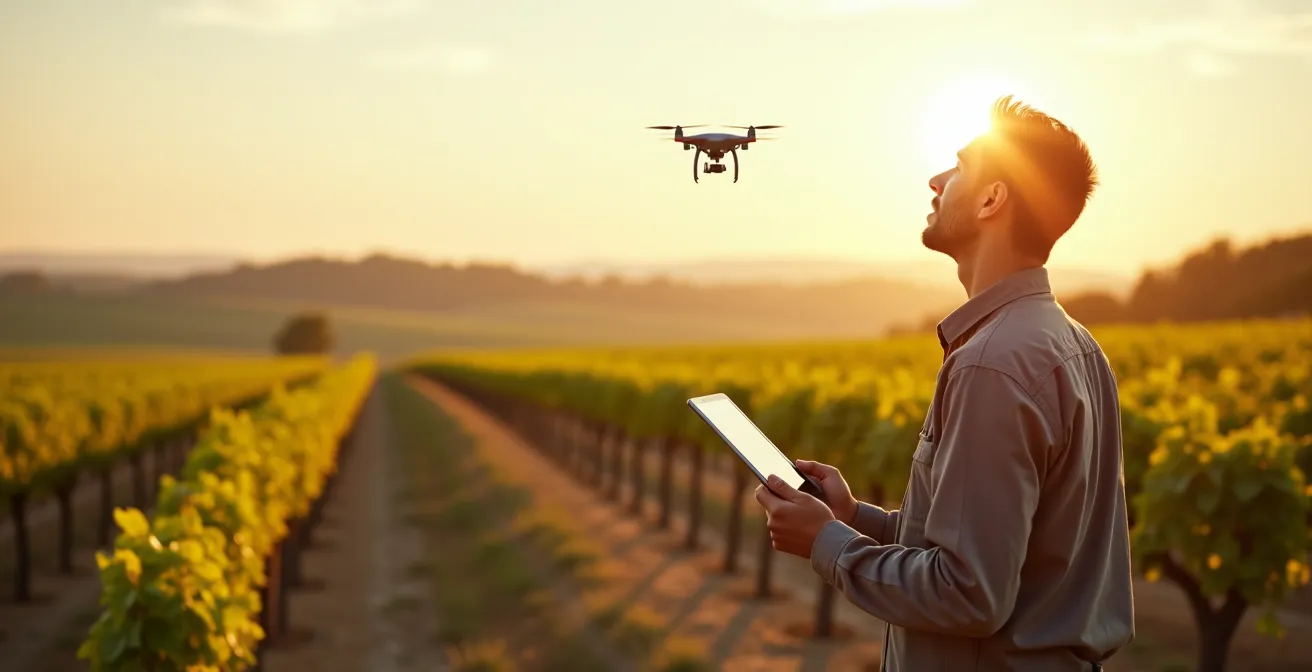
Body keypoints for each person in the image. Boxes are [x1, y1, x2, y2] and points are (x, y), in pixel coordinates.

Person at [752, 95, 1135, 671]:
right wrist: (854, 516)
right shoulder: (1073, 344)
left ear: (991, 199)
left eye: (958, 166)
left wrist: (825, 543)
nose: (936, 179)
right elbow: (1008, 552)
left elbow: (966, 592)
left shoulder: (993, 363)